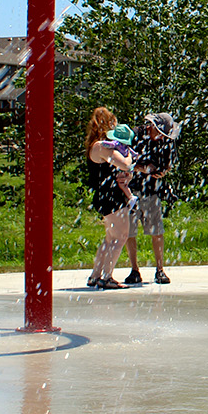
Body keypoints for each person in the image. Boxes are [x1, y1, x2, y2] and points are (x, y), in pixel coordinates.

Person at [123, 112, 179, 286]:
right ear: (152, 126)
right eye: (159, 133)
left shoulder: (167, 142)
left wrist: (164, 171)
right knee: (129, 232)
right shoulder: (135, 136)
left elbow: (170, 162)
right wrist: (142, 168)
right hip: (130, 191)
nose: (160, 138)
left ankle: (160, 270)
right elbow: (123, 160)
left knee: (157, 232)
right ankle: (134, 270)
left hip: (152, 191)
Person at [85, 107, 135, 290]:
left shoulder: (95, 146)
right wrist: (129, 153)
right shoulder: (102, 146)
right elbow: (124, 163)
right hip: (111, 197)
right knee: (120, 237)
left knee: (109, 239)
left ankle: (95, 275)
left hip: (104, 196)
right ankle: (107, 276)